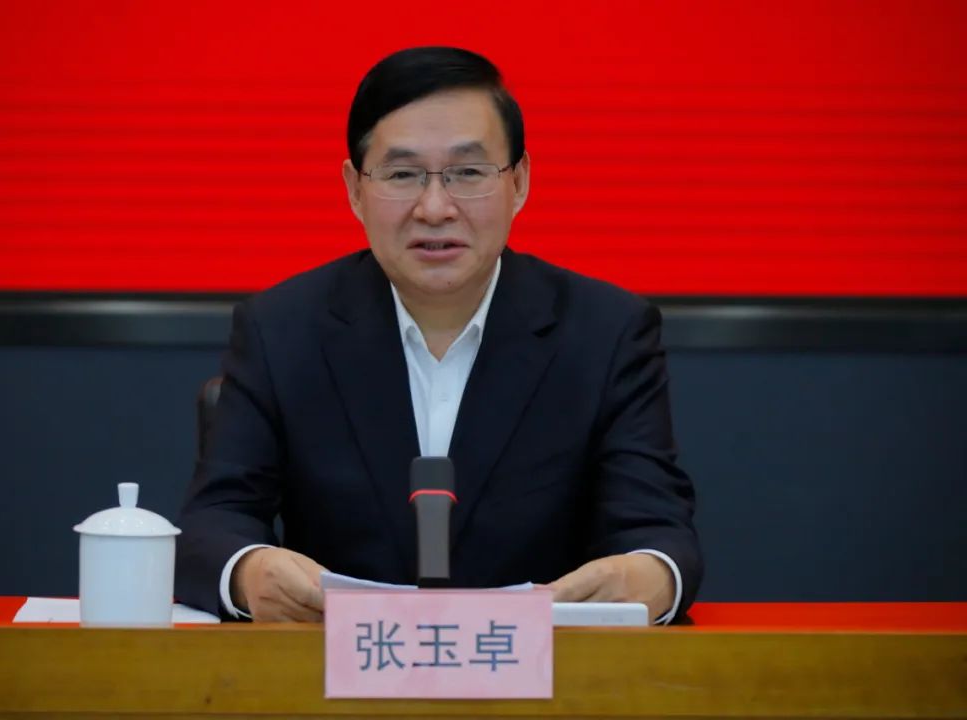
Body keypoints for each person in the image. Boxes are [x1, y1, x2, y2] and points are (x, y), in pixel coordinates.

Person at [174, 46, 701, 623]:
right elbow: (213, 525)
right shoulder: (282, 329)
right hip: (337, 668)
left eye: (467, 173)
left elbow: (657, 531)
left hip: (544, 669)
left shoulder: (606, 332)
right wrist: (249, 571)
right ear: (354, 189)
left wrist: (646, 576)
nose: (434, 208)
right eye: (402, 175)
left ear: (519, 181)